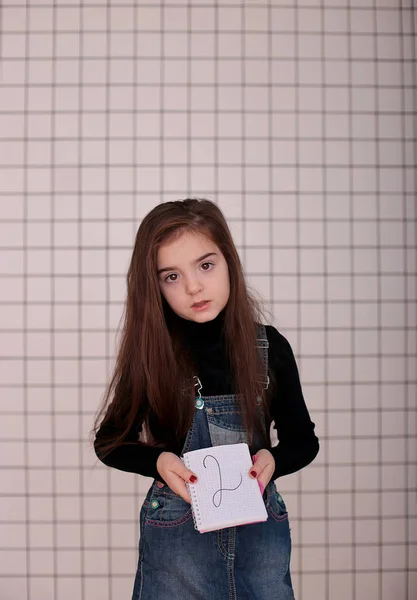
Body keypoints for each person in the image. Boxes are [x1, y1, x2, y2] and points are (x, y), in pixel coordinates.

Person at [93, 199, 319, 600]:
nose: (193, 286)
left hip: (258, 533)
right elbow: (110, 442)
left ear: (228, 260)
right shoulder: (153, 355)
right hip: (178, 541)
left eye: (206, 265)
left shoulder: (269, 348)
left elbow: (304, 440)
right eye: (172, 276)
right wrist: (159, 462)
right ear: (154, 286)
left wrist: (274, 459)